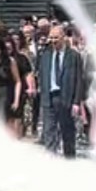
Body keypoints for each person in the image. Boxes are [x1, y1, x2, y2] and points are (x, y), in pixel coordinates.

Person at [37, 21, 84, 158]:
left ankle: (69, 161)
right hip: (49, 98)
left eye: (56, 37)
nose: (53, 41)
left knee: (67, 132)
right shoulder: (45, 55)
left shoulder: (74, 56)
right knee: (49, 132)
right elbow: (42, 75)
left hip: (66, 98)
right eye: (51, 38)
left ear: (63, 37)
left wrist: (76, 102)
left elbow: (79, 80)